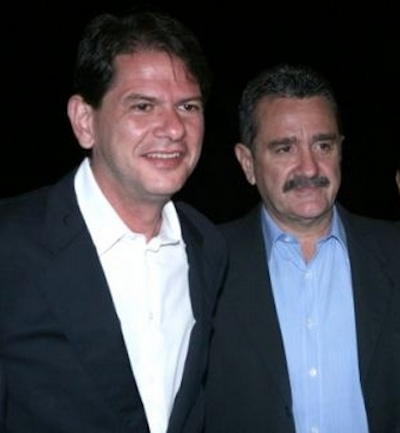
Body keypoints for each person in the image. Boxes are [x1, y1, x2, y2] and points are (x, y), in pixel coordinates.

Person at [0, 10, 228, 433]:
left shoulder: (206, 246)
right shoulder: (11, 244)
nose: (174, 129)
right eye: (143, 106)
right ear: (85, 121)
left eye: (188, 106)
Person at [204, 64, 400, 433]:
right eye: (285, 148)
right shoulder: (203, 264)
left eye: (323, 145)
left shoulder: (394, 252)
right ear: (248, 163)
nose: (309, 168)